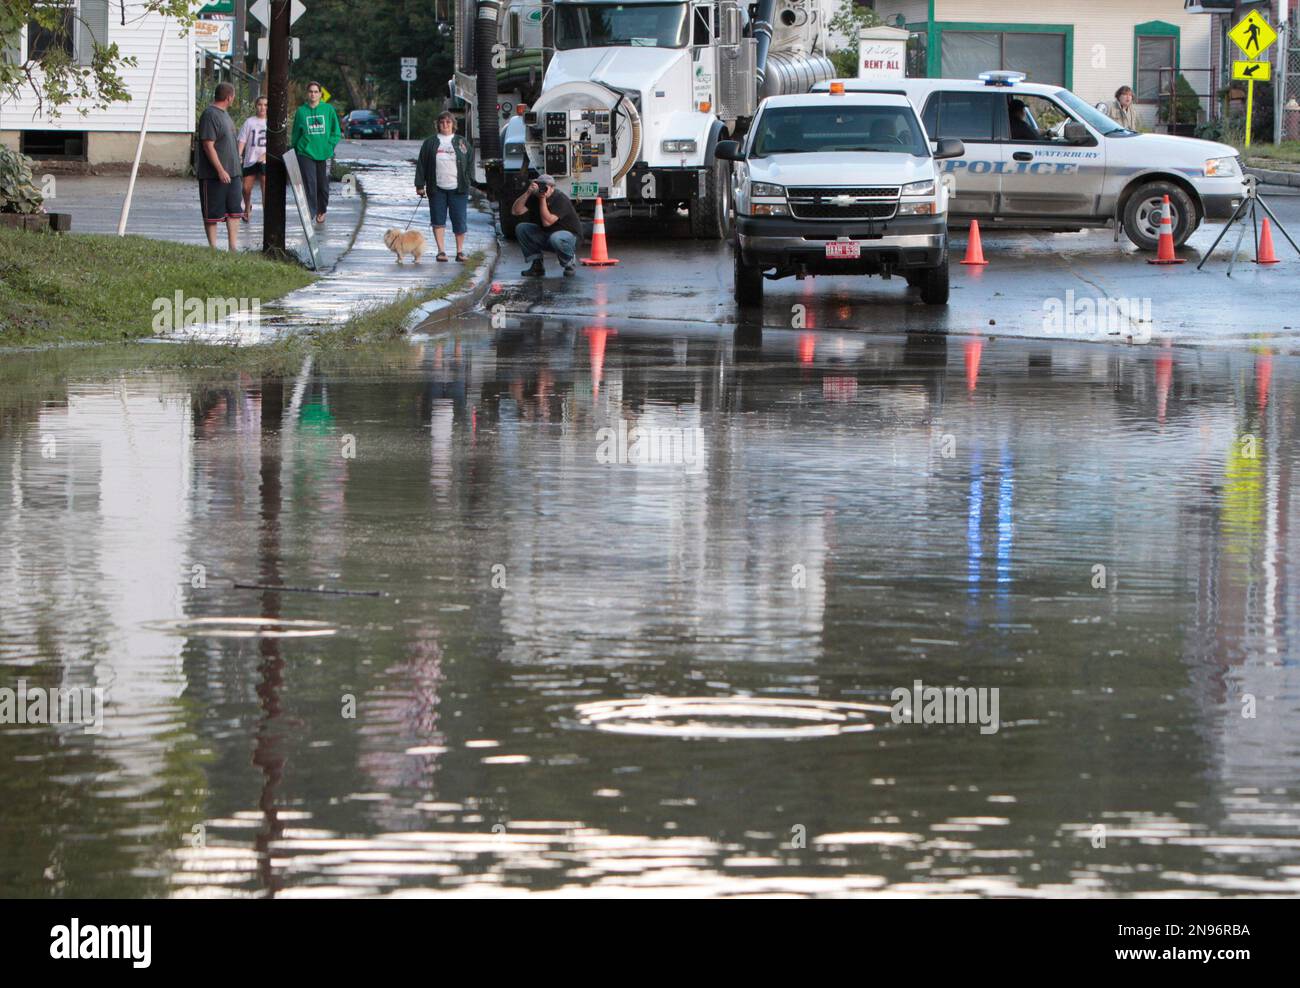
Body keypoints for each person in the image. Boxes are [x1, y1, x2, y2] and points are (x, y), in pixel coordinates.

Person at [415, 111, 473, 262]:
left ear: (453, 124)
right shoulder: (430, 143)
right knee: (438, 219)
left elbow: (470, 161)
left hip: (458, 188)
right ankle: (441, 251)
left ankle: (460, 252)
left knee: (459, 219)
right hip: (437, 188)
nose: (445, 125)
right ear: (438, 125)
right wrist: (420, 185)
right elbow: (421, 164)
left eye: (448, 122)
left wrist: (468, 179)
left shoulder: (461, 142)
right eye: (442, 123)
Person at [195, 81, 243, 250]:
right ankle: (213, 248)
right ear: (229, 97)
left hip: (234, 172)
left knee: (235, 210)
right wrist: (220, 170)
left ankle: (233, 247)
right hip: (214, 175)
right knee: (212, 214)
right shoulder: (210, 115)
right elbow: (208, 145)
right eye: (234, 96)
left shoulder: (225, 115)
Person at [511, 174, 583, 277]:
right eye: (539, 185)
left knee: (556, 237)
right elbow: (515, 211)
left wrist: (542, 199)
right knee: (522, 228)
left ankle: (569, 263)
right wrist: (527, 193)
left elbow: (547, 222)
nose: (542, 189)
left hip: (569, 238)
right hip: (547, 235)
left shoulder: (560, 198)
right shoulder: (534, 196)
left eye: (545, 186)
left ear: (552, 188)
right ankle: (537, 266)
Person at [290, 81, 342, 224]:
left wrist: (329, 145)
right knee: (310, 183)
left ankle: (321, 210)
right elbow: (296, 133)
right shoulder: (301, 111)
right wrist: (294, 148)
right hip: (305, 152)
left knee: (323, 186)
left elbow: (336, 132)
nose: (313, 94)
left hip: (324, 153)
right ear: (307, 94)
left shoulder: (328, 109)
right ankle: (311, 212)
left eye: (316, 92)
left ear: (320, 94)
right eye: (310, 92)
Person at [237, 96, 268, 223]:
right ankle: (247, 207)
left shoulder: (270, 123)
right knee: (246, 188)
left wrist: (266, 155)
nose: (262, 108)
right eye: (260, 104)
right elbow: (242, 140)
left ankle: (267, 214)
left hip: (265, 160)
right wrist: (238, 154)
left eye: (265, 105)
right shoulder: (249, 122)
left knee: (265, 187)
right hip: (251, 159)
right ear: (256, 106)